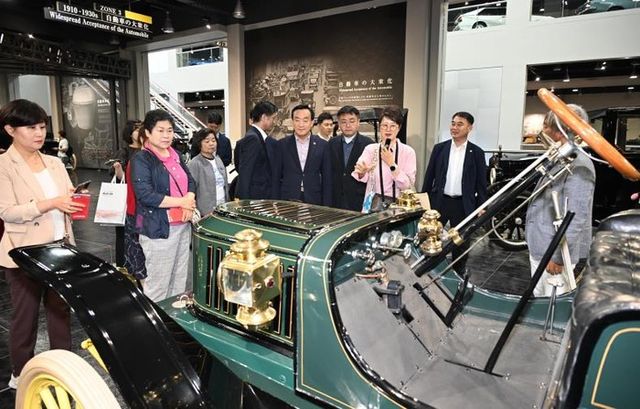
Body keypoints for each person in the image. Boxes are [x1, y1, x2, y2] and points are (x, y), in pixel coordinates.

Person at [0, 99, 85, 389]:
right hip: (25, 252)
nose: (39, 133)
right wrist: (52, 202)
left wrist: (74, 199)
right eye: (31, 128)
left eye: (41, 127)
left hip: (60, 247)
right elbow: (7, 211)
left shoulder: (54, 162)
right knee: (25, 317)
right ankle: (21, 373)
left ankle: (64, 366)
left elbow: (66, 197)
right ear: (10, 130)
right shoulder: (4, 165)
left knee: (60, 312)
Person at [526, 104, 595, 297]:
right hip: (542, 246)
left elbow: (576, 217)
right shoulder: (561, 158)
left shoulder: (579, 164)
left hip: (554, 252)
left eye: (546, 126)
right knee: (539, 298)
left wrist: (557, 257)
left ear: (559, 130)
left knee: (551, 304)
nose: (543, 130)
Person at [131, 109, 196, 302]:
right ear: (148, 133)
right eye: (160, 130)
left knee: (179, 281)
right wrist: (182, 202)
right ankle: (156, 320)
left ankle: (173, 318)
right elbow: (145, 195)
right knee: (158, 286)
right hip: (159, 229)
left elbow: (190, 181)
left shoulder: (175, 154)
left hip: (182, 225)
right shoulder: (142, 159)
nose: (166, 135)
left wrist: (188, 201)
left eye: (170, 130)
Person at [421, 111, 487, 274]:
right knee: (431, 237)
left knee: (461, 242)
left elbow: (481, 184)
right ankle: (429, 270)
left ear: (469, 128)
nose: (454, 127)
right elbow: (429, 176)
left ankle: (458, 272)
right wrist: (423, 200)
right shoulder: (440, 149)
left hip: (463, 204)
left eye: (460, 124)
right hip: (439, 202)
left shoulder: (477, 153)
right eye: (453, 123)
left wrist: (481, 206)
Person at [353, 106, 416, 208]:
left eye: (393, 126)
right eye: (384, 125)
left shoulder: (408, 152)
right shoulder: (370, 149)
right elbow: (359, 174)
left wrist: (391, 164)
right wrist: (362, 172)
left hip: (399, 207)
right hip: (374, 207)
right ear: (379, 127)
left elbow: (406, 186)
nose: (388, 129)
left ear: (399, 128)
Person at [274, 104, 332, 206]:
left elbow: (327, 178)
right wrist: (274, 202)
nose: (301, 125)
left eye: (305, 120)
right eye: (297, 120)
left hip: (314, 198)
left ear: (312, 123)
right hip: (287, 199)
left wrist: (327, 205)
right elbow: (276, 176)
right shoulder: (282, 145)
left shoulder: (323, 145)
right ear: (292, 122)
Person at [111, 120, 145, 275]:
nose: (140, 132)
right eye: (136, 129)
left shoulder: (147, 150)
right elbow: (118, 177)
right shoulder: (124, 152)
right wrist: (119, 170)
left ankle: (138, 265)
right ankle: (122, 266)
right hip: (126, 200)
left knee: (139, 234)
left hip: (142, 202)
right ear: (130, 133)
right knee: (123, 234)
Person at [329, 105, 374, 211]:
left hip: (358, 200)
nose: (348, 125)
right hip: (335, 200)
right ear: (339, 124)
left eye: (352, 121)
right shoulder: (331, 144)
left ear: (358, 122)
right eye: (343, 122)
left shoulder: (369, 144)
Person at [234, 101, 278, 200]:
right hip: (255, 197)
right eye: (273, 118)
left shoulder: (258, 136)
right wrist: (244, 201)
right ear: (264, 117)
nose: (274, 122)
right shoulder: (253, 138)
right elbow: (245, 171)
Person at [188, 128, 229, 214]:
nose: (211, 144)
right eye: (207, 141)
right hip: (205, 211)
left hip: (223, 208)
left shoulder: (218, 160)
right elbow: (191, 189)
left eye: (213, 140)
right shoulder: (195, 163)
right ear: (199, 144)